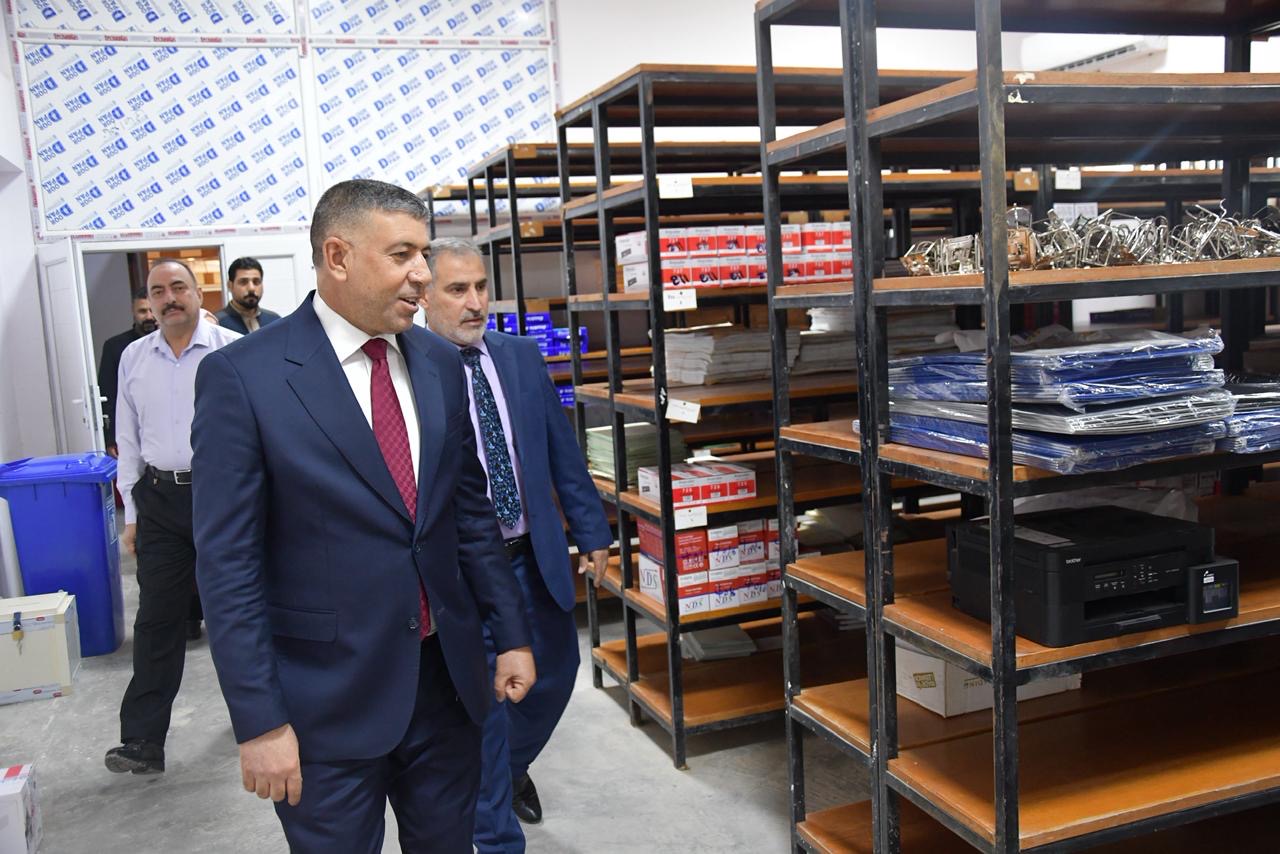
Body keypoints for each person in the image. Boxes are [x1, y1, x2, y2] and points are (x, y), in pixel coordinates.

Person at [190, 180, 536, 853]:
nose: (423, 273)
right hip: (324, 706)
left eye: (423, 254)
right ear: (338, 256)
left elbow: (467, 513)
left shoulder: (439, 362)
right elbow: (228, 565)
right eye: (402, 254)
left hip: (445, 688)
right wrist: (259, 722)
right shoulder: (246, 377)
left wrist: (511, 632)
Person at [420, 237, 612, 853]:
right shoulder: (410, 367)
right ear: (423, 295)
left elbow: (560, 449)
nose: (475, 302)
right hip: (462, 574)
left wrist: (591, 529)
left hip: (531, 555)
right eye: (457, 290)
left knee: (555, 674)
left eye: (481, 287)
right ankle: (496, 833)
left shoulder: (520, 356)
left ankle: (507, 770)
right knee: (484, 709)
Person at [103, 259, 241, 776]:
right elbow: (128, 435)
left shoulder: (232, 349)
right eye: (158, 291)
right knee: (157, 619)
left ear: (198, 293)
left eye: (178, 287)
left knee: (235, 612)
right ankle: (142, 740)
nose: (168, 298)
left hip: (222, 497)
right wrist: (132, 511)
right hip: (159, 498)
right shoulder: (134, 357)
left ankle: (258, 719)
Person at [97, 287, 156, 456]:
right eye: (142, 311)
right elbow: (108, 394)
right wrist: (111, 438)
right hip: (131, 427)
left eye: (152, 310)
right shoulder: (116, 346)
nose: (149, 316)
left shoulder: (173, 344)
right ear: (133, 312)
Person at [215, 257, 281, 334]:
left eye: (256, 281)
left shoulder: (274, 320)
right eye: (243, 282)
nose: (251, 288)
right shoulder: (217, 324)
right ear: (230, 286)